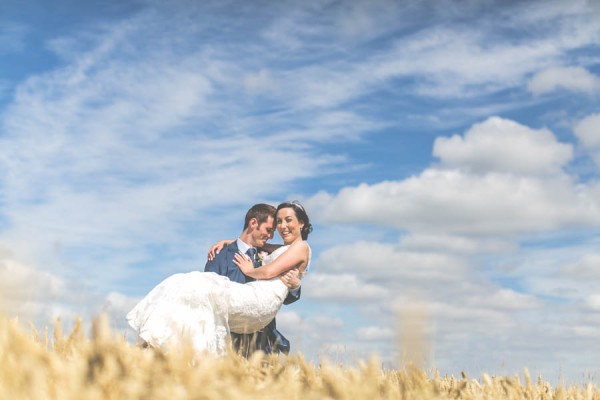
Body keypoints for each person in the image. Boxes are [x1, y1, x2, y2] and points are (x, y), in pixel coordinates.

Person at [126, 201, 312, 356]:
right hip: (230, 334)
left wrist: (293, 285)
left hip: (259, 330)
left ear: (301, 223)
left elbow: (270, 273)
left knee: (191, 283)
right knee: (186, 284)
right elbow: (274, 248)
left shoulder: (300, 247)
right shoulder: (222, 254)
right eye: (277, 223)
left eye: (287, 221)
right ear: (253, 223)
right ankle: (155, 344)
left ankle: (152, 344)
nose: (279, 229)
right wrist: (229, 243)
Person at [205, 203, 303, 356]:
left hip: (265, 343)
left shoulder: (272, 257)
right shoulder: (219, 256)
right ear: (253, 223)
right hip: (231, 342)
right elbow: (209, 300)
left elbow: (284, 297)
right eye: (268, 230)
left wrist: (295, 286)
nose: (270, 236)